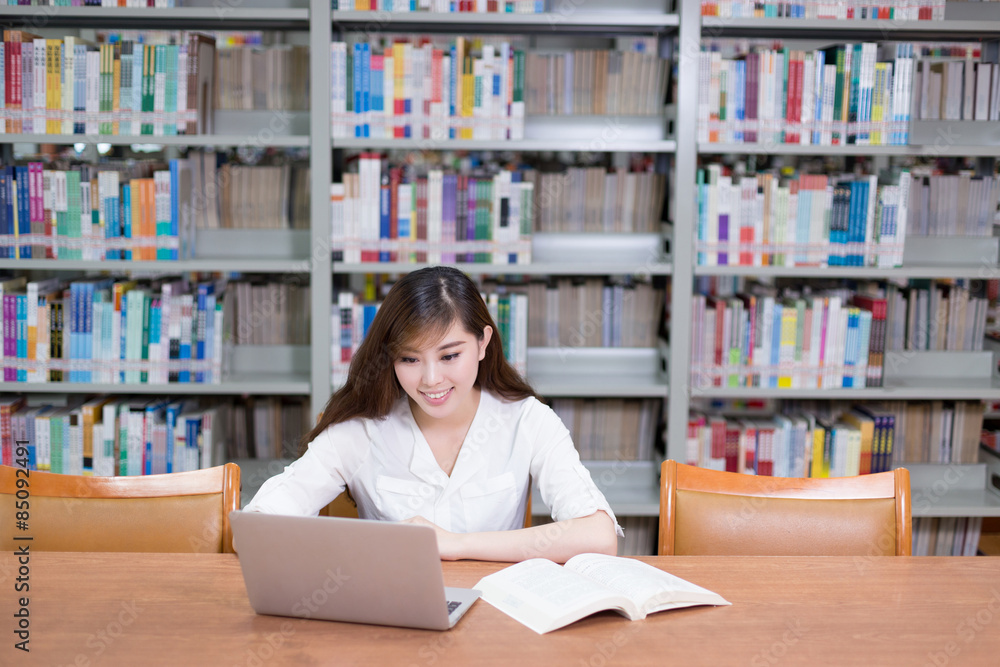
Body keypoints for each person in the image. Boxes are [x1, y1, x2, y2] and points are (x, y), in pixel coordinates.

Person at [243, 266, 622, 562]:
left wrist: (457, 545)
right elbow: (259, 523)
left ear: (482, 343)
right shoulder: (362, 430)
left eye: (449, 355)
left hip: (496, 619)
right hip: (391, 617)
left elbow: (599, 535)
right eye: (409, 359)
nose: (430, 380)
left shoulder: (527, 420)